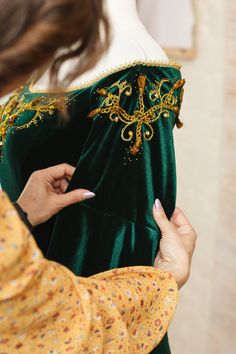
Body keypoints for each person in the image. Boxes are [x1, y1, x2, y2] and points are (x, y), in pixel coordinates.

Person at [0, 1, 197, 352]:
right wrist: (164, 282)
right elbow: (59, 328)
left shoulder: (133, 75)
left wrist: (20, 214)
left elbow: (113, 243)